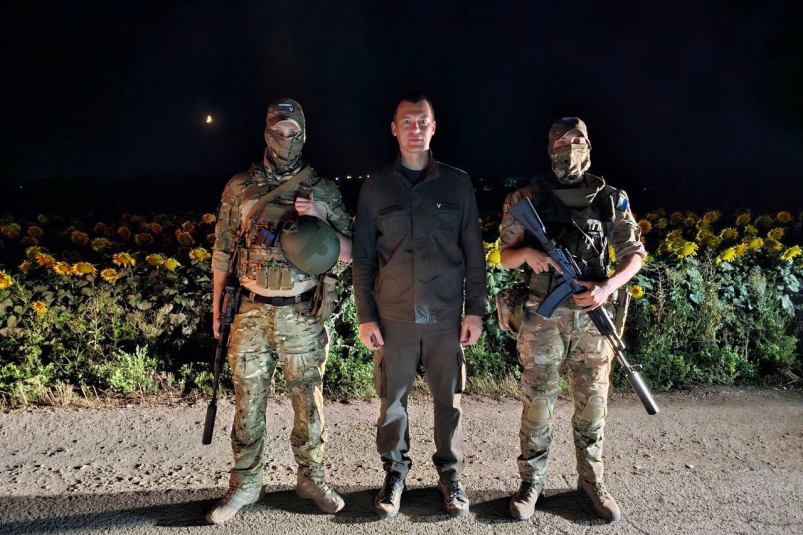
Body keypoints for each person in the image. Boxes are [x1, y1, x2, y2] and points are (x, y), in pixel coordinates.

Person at [206, 98, 353, 524]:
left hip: (301, 314)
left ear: (303, 134)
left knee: (308, 399)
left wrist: (321, 217)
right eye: (278, 131)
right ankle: (245, 484)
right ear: (266, 133)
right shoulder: (240, 187)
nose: (285, 139)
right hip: (249, 311)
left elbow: (350, 253)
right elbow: (223, 250)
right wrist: (217, 306)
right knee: (247, 401)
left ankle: (311, 478)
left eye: (292, 132)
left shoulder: (321, 190)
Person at [498, 117, 646, 523]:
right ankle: (531, 483)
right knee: (538, 404)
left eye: (578, 139)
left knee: (593, 405)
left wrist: (607, 287)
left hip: (593, 316)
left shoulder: (611, 198)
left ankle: (592, 482)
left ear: (589, 145)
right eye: (562, 141)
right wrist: (527, 255)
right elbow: (505, 255)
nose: (571, 146)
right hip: (541, 319)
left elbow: (634, 255)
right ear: (551, 149)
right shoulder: (525, 199)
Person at [351, 95, 486, 518]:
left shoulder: (457, 184)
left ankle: (451, 476)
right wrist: (366, 316)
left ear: (433, 127)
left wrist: (475, 310)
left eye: (422, 121)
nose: (415, 129)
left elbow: (474, 253)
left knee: (450, 402)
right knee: (392, 403)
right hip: (394, 317)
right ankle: (394, 474)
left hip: (446, 316)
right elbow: (363, 258)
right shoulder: (375, 188)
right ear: (394, 128)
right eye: (407, 122)